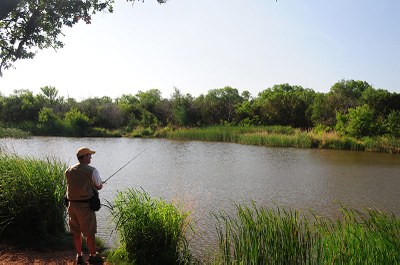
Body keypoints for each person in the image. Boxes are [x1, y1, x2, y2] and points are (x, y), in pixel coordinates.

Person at [65, 147, 104, 264]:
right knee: (90, 233)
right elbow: (98, 186)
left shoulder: (69, 170)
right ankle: (93, 256)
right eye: (89, 155)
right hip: (85, 207)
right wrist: (100, 185)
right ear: (85, 156)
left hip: (71, 205)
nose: (91, 157)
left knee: (76, 232)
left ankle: (79, 257)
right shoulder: (92, 170)